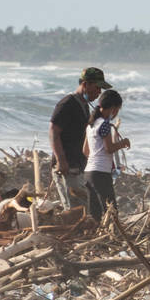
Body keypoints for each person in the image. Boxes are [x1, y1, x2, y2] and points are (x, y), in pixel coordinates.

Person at [50, 67, 109, 209]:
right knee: (74, 210)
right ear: (86, 84)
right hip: (67, 167)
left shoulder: (83, 105)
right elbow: (53, 132)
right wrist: (61, 160)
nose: (99, 92)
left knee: (83, 209)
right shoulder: (67, 103)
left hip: (78, 166)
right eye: (97, 87)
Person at [83, 89, 130, 223]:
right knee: (111, 211)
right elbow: (109, 148)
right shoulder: (104, 125)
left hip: (88, 172)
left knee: (95, 213)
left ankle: (96, 234)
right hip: (101, 173)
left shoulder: (91, 125)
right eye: (117, 110)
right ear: (113, 108)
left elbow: (85, 151)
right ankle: (112, 233)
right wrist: (123, 143)